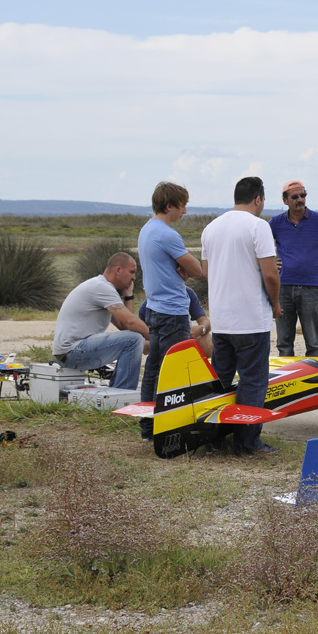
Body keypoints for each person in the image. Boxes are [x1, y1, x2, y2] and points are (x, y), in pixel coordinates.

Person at [200, 176, 281, 455]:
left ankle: (211, 439)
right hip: (251, 320)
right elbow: (270, 274)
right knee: (253, 381)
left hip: (222, 320)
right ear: (258, 199)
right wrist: (276, 303)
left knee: (219, 381)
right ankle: (247, 443)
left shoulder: (210, 228)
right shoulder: (259, 226)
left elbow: (207, 274)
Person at [137, 181, 203, 441]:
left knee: (153, 369)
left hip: (153, 308)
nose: (184, 211)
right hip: (173, 313)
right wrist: (185, 268)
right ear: (169, 206)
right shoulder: (167, 234)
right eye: (182, 205)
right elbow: (197, 270)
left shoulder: (146, 230)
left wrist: (180, 268)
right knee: (174, 373)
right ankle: (169, 429)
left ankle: (148, 428)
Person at [268, 180, 318, 357]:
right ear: (285, 200)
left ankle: (315, 381)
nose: (300, 199)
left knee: (313, 343)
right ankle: (288, 381)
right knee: (284, 344)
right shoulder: (276, 223)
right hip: (283, 289)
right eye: (294, 197)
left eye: (303, 195)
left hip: (311, 289)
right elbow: (258, 248)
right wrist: (271, 263)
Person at [52, 252, 148, 390]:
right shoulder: (101, 288)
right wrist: (155, 337)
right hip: (73, 351)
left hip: (68, 352)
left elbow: (123, 326)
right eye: (132, 272)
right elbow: (130, 322)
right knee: (134, 340)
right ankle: (121, 393)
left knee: (135, 339)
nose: (134, 277)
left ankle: (118, 392)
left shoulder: (102, 287)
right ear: (119, 270)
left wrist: (128, 295)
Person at [138, 286, 213, 357]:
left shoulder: (187, 293)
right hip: (162, 346)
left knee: (206, 340)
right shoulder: (147, 305)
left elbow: (205, 321)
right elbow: (143, 345)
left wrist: (201, 329)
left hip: (185, 340)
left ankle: (197, 366)